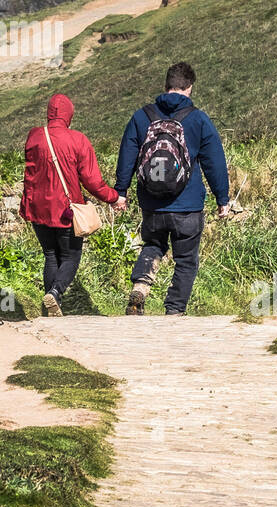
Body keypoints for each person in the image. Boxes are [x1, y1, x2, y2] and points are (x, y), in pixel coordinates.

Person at [114, 61, 230, 316]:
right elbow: (215, 162)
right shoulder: (198, 118)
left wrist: (121, 191)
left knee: (153, 244)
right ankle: (174, 311)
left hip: (152, 203)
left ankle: (141, 285)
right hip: (187, 205)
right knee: (186, 260)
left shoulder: (141, 116)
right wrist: (223, 199)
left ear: (166, 86)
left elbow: (127, 156)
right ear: (189, 87)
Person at [21, 92, 119, 316]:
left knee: (50, 255)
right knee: (70, 256)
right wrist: (113, 197)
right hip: (66, 210)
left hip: (38, 210)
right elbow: (92, 181)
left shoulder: (34, 136)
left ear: (49, 114)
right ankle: (55, 293)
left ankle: (50, 309)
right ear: (69, 115)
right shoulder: (78, 139)